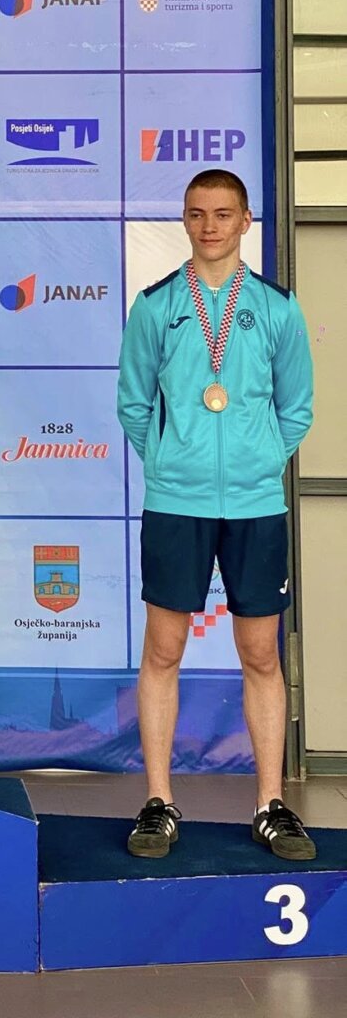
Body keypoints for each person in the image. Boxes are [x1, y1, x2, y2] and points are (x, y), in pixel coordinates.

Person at [117, 168, 314, 861]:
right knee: (163, 650)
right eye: (198, 213)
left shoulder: (277, 308)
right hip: (177, 503)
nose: (209, 226)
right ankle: (159, 802)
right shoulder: (155, 306)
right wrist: (173, 462)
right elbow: (133, 404)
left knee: (260, 653)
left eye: (223, 214)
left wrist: (257, 462)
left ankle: (271, 804)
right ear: (185, 220)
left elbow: (297, 408)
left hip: (256, 506)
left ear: (245, 222)